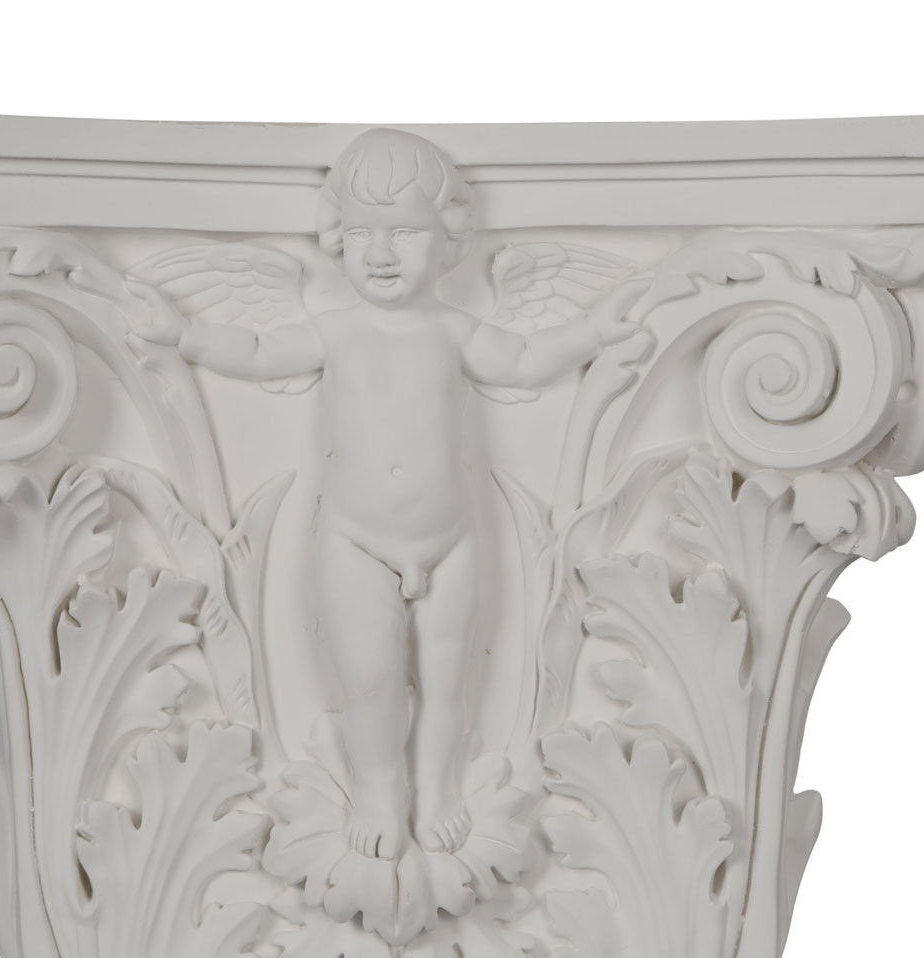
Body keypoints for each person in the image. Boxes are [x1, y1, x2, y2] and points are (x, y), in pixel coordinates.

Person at [133, 129, 643, 860]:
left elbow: (528, 361)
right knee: (371, 680)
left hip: (451, 542)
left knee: (448, 680)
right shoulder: (337, 331)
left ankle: (436, 787)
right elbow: (258, 353)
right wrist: (183, 333)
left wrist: (595, 329)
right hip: (356, 542)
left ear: (451, 238)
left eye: (404, 232)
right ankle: (378, 787)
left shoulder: (452, 330)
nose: (380, 253)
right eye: (362, 234)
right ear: (336, 239)